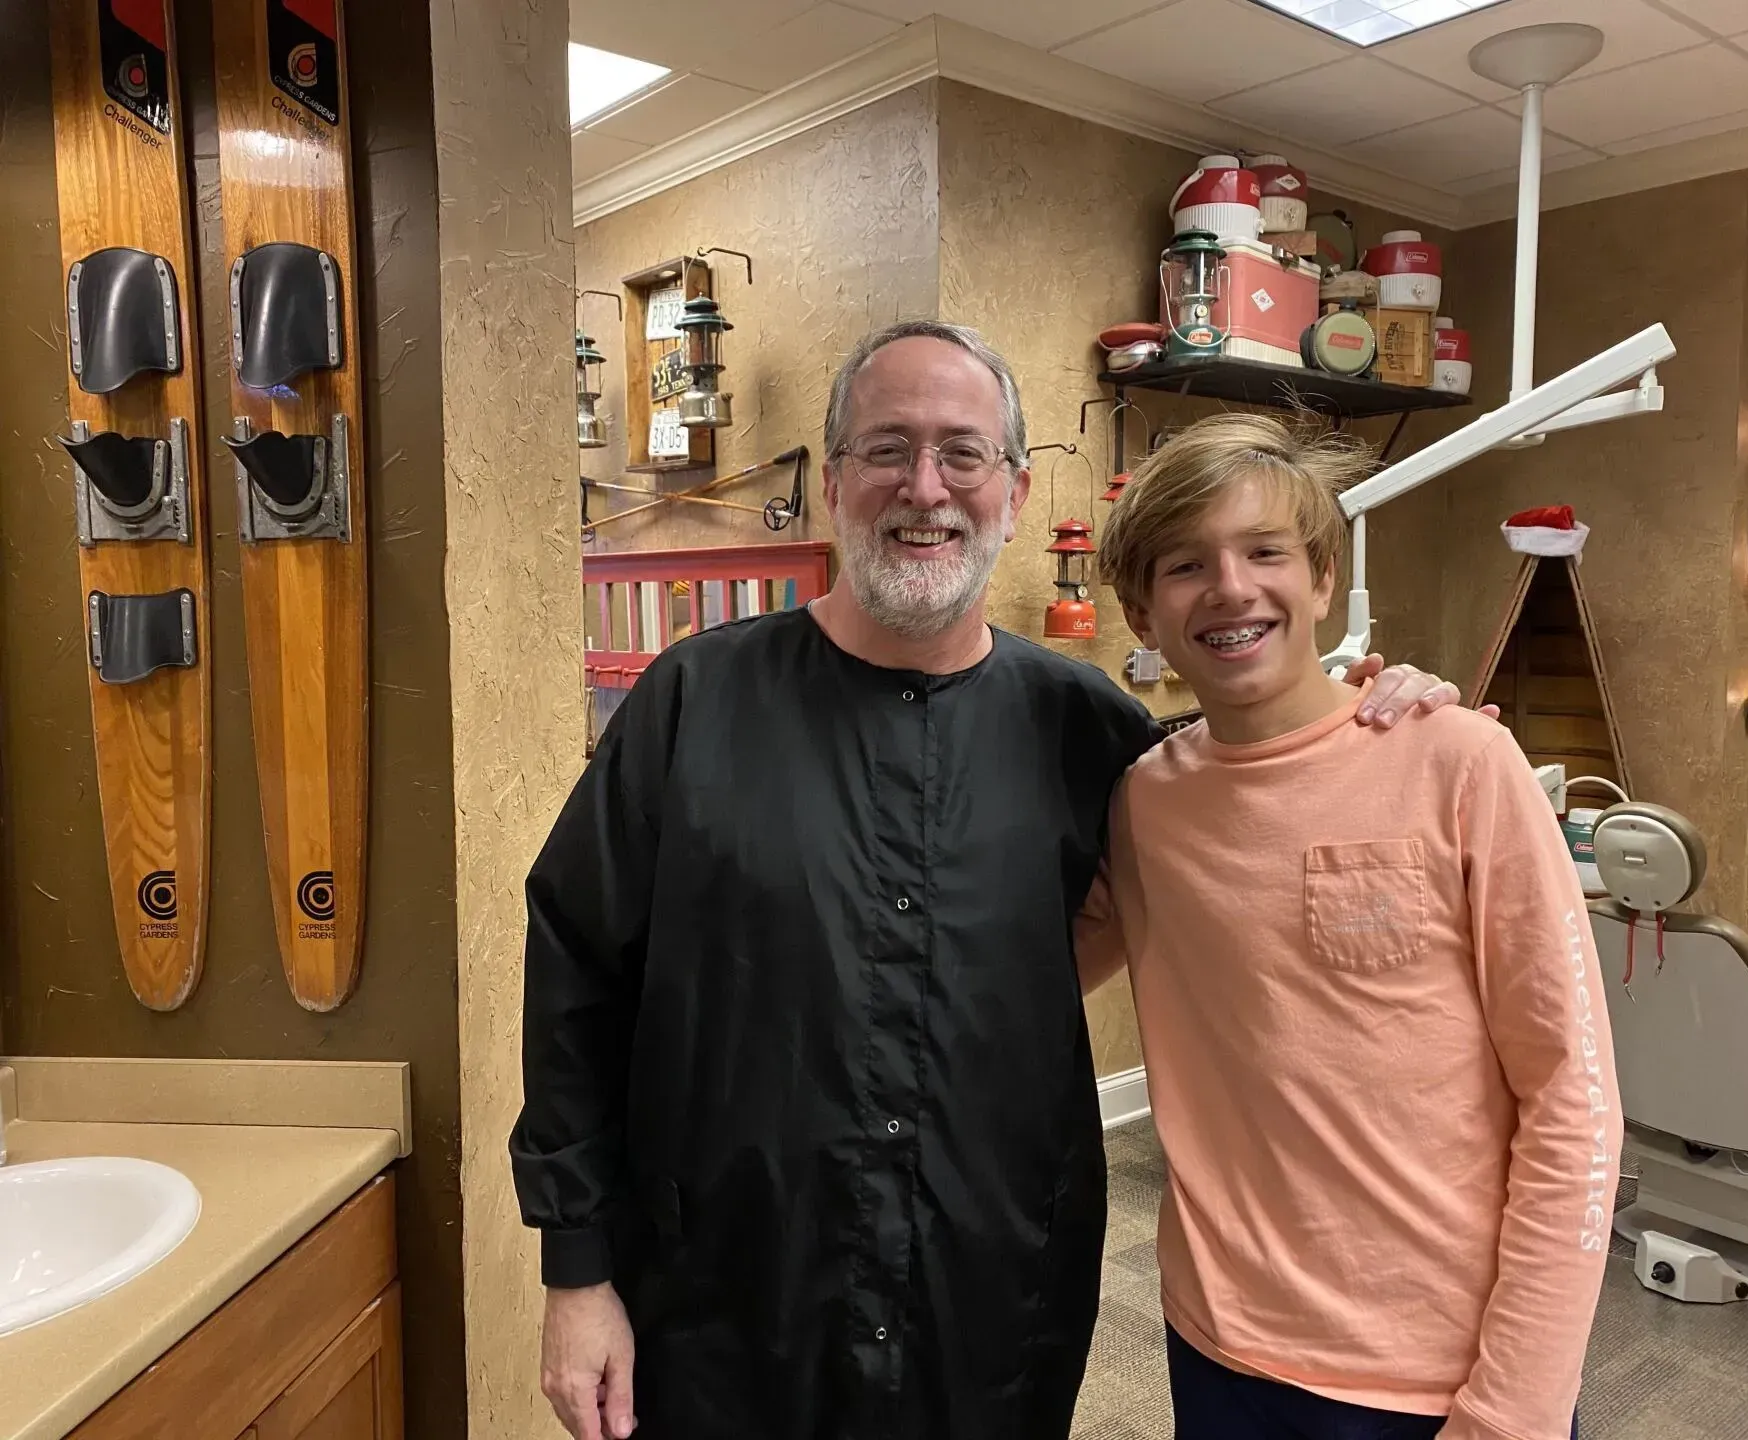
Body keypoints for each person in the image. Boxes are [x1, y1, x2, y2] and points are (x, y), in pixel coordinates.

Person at [509, 320, 1474, 1440]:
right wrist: (577, 1273)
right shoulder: (694, 704)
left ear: (1014, 492)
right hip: (726, 1310)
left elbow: (1268, 800)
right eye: (888, 449)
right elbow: (575, 977)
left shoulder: (1092, 733)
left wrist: (1384, 722)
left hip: (987, 1307)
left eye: (964, 453)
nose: (928, 487)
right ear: (832, 483)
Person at [1079, 411, 1621, 1440]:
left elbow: (1572, 1101)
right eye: (1186, 565)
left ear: (1324, 579)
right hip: (1219, 1348)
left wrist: (1519, 1404)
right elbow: (1025, 971)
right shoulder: (1144, 803)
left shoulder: (1457, 761)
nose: (1231, 587)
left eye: (1266, 551)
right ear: (1143, 615)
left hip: (1436, 1378)